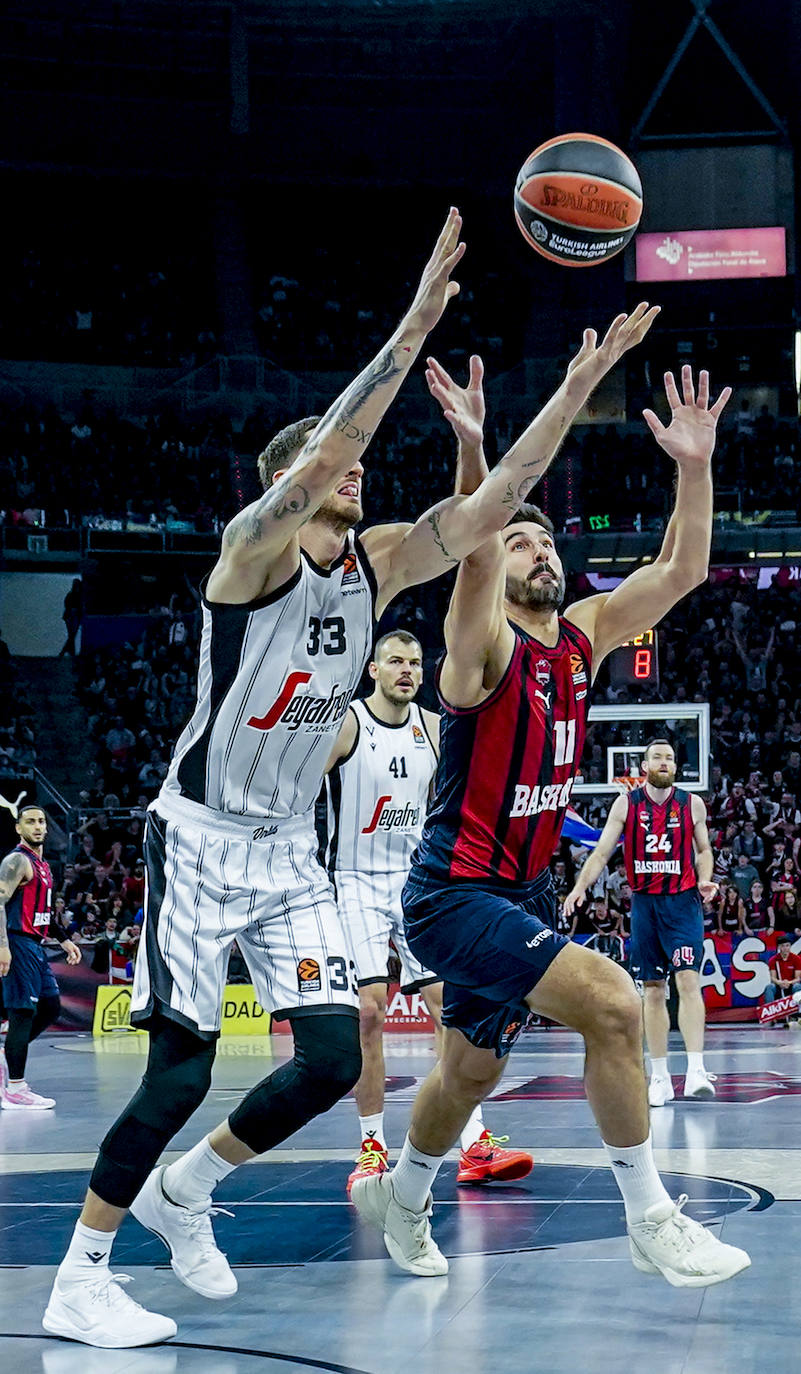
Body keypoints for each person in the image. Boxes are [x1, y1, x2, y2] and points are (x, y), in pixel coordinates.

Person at [45, 211, 660, 1347]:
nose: (357, 477)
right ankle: (79, 1275)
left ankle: (190, 1191)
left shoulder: (376, 568)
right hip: (200, 831)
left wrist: (577, 388)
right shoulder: (249, 553)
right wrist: (418, 318)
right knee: (179, 1067)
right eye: (336, 471)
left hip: (289, 850)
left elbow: (490, 511)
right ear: (288, 486)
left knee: (335, 1058)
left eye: (359, 471)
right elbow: (330, 447)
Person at [352, 360, 750, 1288]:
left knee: (467, 1079)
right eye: (520, 541)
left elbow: (683, 568)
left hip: (525, 892)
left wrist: (693, 463)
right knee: (614, 1006)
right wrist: (474, 450)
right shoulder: (478, 647)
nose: (535, 551)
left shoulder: (583, 634)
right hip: (454, 894)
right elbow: (477, 542)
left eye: (543, 540)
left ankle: (402, 1202)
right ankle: (652, 1217)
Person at [322, 628, 532, 1193]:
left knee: (451, 1008)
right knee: (369, 1014)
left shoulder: (434, 729)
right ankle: (371, 1148)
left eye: (415, 662)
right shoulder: (346, 726)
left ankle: (474, 1142)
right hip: (354, 882)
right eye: (395, 661)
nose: (407, 671)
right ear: (372, 669)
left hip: (417, 882)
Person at [564, 740, 718, 1106]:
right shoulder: (626, 804)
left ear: (676, 767)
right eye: (657, 757)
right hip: (645, 905)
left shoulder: (691, 803)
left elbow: (704, 850)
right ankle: (660, 1076)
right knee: (652, 988)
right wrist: (579, 888)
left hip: (683, 903)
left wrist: (705, 878)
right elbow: (601, 851)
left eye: (669, 758)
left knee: (688, 979)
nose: (664, 762)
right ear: (644, 765)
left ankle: (696, 1069)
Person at [0, 804, 82, 1109]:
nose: (37, 826)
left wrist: (64, 940)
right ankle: (15, 1090)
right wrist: (3, 945)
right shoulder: (17, 861)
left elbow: (44, 912)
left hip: (35, 945)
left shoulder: (44, 865)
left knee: (50, 1007)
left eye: (41, 821)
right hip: (18, 943)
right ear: (19, 828)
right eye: (30, 822)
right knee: (22, 1013)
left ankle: (7, 1055)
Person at [764, 934, 801, 1026]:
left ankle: (795, 1015)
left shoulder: (797, 959)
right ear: (779, 947)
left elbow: (798, 978)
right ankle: (771, 1016)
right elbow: (773, 978)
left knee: (798, 986)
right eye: (783, 946)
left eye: (787, 945)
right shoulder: (773, 960)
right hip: (779, 986)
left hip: (791, 985)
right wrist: (779, 982)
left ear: (790, 946)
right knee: (769, 987)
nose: (785, 948)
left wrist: (788, 982)